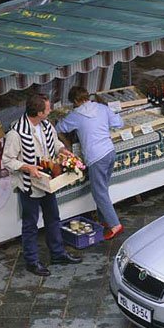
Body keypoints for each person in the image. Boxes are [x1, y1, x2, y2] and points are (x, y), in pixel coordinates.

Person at [2, 93, 83, 276]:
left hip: (48, 182)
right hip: (29, 185)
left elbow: (54, 142)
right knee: (30, 224)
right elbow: (7, 160)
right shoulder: (16, 133)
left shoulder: (46, 125)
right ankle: (32, 261)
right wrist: (27, 167)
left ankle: (58, 254)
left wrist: (63, 150)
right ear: (38, 112)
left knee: (53, 218)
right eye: (47, 109)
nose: (50, 111)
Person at [56, 86, 125, 240]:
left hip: (96, 156)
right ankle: (104, 220)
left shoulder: (76, 115)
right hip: (109, 151)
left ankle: (115, 225)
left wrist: (66, 140)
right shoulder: (101, 108)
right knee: (103, 189)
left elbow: (58, 128)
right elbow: (119, 123)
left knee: (99, 192)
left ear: (75, 101)